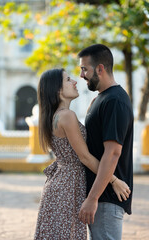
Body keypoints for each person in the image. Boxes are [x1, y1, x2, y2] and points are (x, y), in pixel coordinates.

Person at [34, 68, 131, 240]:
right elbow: (84, 157)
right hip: (68, 186)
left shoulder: (56, 116)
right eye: (68, 79)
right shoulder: (67, 116)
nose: (75, 82)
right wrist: (114, 180)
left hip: (61, 184)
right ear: (57, 89)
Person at [78, 44, 133, 240]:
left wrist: (93, 198)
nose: (82, 75)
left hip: (106, 198)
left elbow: (113, 152)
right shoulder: (101, 100)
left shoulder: (115, 101)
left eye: (85, 69)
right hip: (100, 195)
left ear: (100, 68)